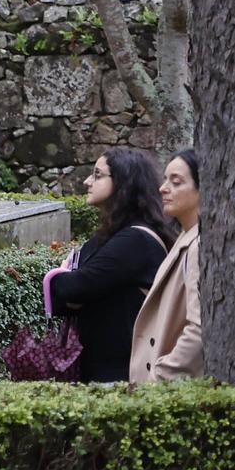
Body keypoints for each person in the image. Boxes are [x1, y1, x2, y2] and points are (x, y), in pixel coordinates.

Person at [42, 149, 173, 383]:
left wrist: (61, 276)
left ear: (123, 182)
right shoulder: (109, 237)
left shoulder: (135, 240)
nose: (86, 181)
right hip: (100, 370)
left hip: (121, 375)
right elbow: (64, 301)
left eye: (98, 175)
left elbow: (71, 288)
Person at [129, 149, 203, 386]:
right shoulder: (185, 238)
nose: (162, 188)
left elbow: (199, 329)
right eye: (165, 179)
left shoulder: (198, 245)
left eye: (176, 181)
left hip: (167, 389)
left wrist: (159, 377)